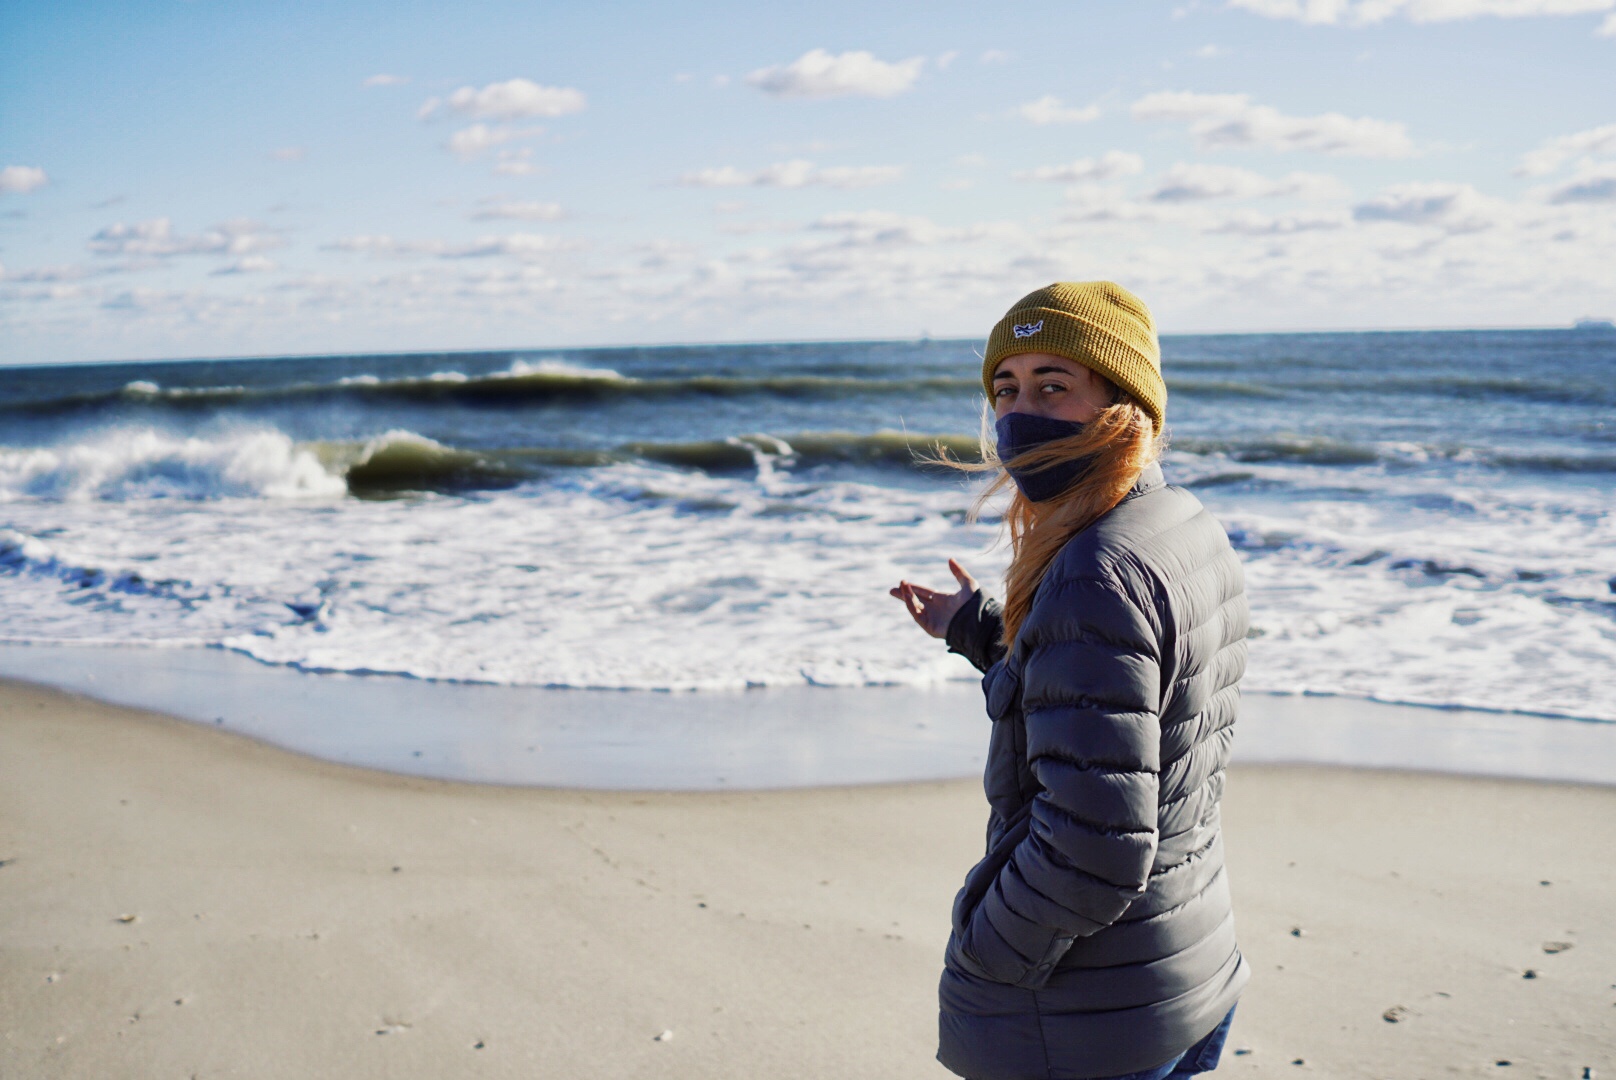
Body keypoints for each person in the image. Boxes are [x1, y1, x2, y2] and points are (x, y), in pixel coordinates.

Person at [890, 282, 1249, 1080]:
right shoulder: (1178, 523)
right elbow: (1119, 691)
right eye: (1005, 389)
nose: (1021, 413)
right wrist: (976, 628)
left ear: (1122, 403)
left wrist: (984, 954)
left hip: (1089, 1019)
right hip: (1185, 970)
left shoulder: (1092, 571)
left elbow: (1093, 855)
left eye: (1054, 385)